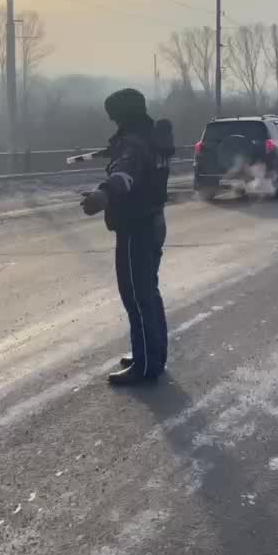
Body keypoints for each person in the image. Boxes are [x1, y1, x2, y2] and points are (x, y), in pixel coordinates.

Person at [79, 88, 172, 385]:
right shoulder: (153, 137)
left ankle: (145, 366)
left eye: (113, 115)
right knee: (149, 292)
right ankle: (153, 353)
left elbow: (125, 175)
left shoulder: (132, 143)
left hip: (136, 227)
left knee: (136, 295)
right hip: (154, 221)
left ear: (122, 114)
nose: (112, 121)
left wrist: (101, 195)